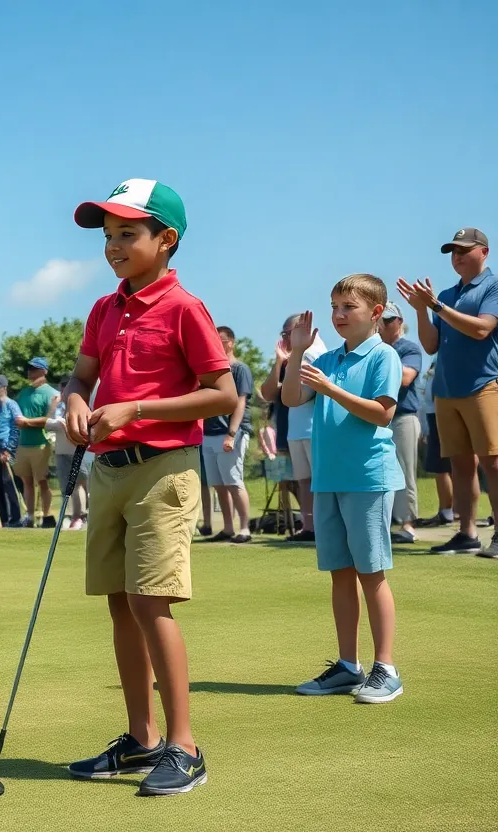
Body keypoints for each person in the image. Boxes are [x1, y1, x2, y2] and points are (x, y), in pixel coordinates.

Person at [64, 179, 235, 795]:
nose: (113, 246)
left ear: (167, 239)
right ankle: (140, 739)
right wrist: (78, 405)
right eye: (108, 236)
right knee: (118, 600)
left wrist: (136, 411)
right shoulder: (104, 309)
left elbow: (223, 393)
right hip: (107, 467)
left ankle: (183, 746)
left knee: (148, 601)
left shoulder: (185, 308)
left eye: (127, 234)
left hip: (163, 468)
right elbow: (80, 378)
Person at [283, 274, 405, 704]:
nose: (338, 315)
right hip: (330, 479)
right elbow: (291, 397)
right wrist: (297, 350)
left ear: (375, 313)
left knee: (371, 574)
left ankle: (385, 668)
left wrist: (331, 390)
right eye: (335, 307)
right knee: (341, 573)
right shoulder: (329, 357)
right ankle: (349, 666)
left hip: (368, 478)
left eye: (347, 308)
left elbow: (382, 414)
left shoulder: (383, 355)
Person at [398, 228, 498, 557]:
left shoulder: (493, 286)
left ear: (483, 252)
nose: (456, 256)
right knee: (460, 465)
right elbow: (429, 345)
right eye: (452, 251)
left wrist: (437, 306)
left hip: (483, 385)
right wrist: (420, 309)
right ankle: (467, 534)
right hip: (446, 390)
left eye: (464, 250)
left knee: (492, 463)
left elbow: (482, 329)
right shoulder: (448, 294)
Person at [260, 314, 326, 542]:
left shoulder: (317, 354)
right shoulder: (290, 357)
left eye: (288, 334)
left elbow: (306, 391)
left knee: (320, 481)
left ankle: (324, 527)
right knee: (304, 481)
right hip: (295, 430)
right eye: (284, 335)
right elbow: (267, 393)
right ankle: (309, 527)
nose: (285, 339)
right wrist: (280, 362)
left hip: (316, 429)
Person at [200, 326, 254, 543]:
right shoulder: (212, 371)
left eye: (220, 340)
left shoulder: (240, 369)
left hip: (231, 433)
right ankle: (228, 528)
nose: (216, 343)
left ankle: (244, 528)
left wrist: (232, 433)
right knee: (218, 484)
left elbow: (241, 403)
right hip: (209, 433)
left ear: (231, 342)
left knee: (233, 481)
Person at [378, 302, 423, 544]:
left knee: (404, 471)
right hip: (379, 417)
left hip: (404, 417)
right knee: (380, 473)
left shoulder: (409, 348)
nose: (382, 325)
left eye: (387, 320)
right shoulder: (376, 349)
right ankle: (385, 522)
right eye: (380, 320)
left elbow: (406, 378)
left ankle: (407, 524)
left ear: (398, 321)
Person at [14, 357, 60, 528]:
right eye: (29, 369)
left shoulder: (51, 393)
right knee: (26, 481)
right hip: (23, 443)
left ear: (44, 371)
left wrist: (27, 422)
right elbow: (17, 416)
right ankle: (30, 516)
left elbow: (51, 419)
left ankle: (47, 516)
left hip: (42, 443)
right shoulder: (23, 393)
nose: (30, 372)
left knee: (42, 481)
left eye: (34, 369)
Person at [417, 359, 455, 527]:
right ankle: (448, 510)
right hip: (434, 413)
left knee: (442, 466)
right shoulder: (437, 358)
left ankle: (447, 512)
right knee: (441, 466)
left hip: (442, 411)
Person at [47, 383, 89, 532]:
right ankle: (73, 516)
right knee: (67, 487)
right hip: (61, 452)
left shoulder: (83, 403)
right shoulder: (58, 408)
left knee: (80, 483)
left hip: (79, 451)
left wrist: (62, 424)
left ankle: (81, 516)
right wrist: (53, 408)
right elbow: (47, 424)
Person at [0, 375, 23, 527]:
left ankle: (16, 518)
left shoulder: (11, 404)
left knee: (10, 484)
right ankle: (3, 518)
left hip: (8, 450)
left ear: (3, 389)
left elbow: (16, 428)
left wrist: (9, 450)